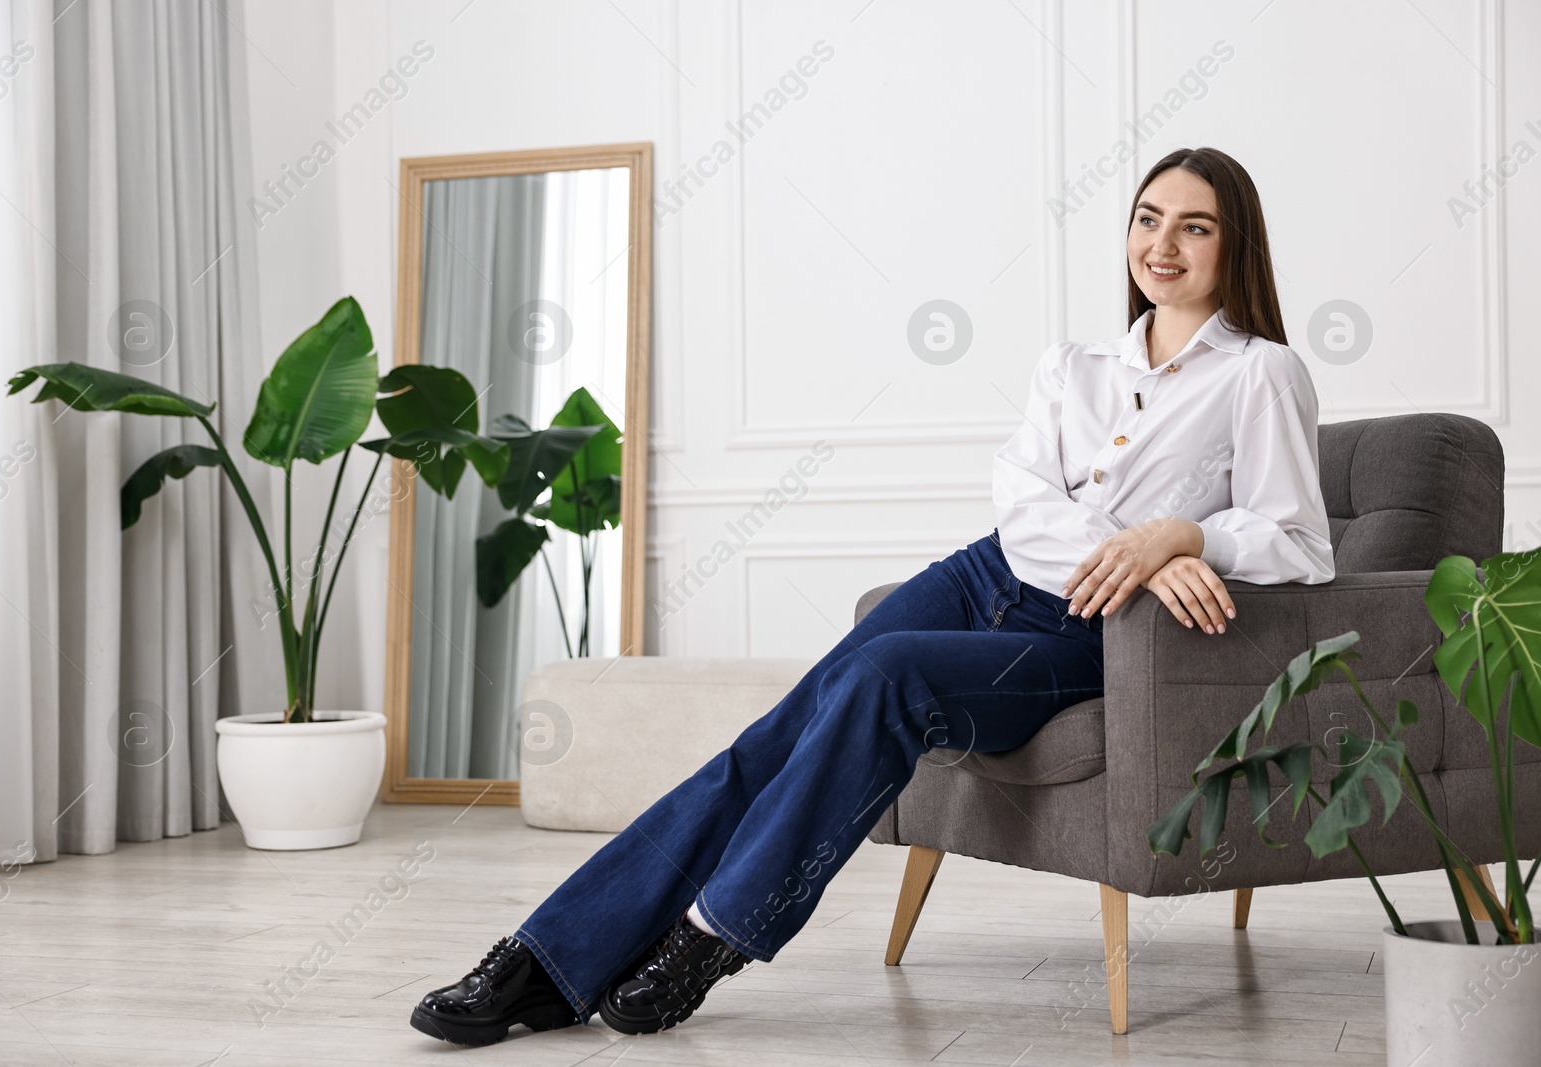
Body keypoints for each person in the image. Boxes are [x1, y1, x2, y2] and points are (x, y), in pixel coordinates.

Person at [408, 145, 1337, 1048]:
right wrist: (1134, 542)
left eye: (1194, 227)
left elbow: (1299, 543)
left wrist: (1188, 536)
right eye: (1147, 219)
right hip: (985, 574)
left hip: (1092, 631)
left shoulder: (1261, 372)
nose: (1162, 244)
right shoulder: (1073, 366)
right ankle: (547, 961)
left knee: (888, 674)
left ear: (1233, 246)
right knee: (770, 737)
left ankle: (714, 935)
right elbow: (1020, 505)